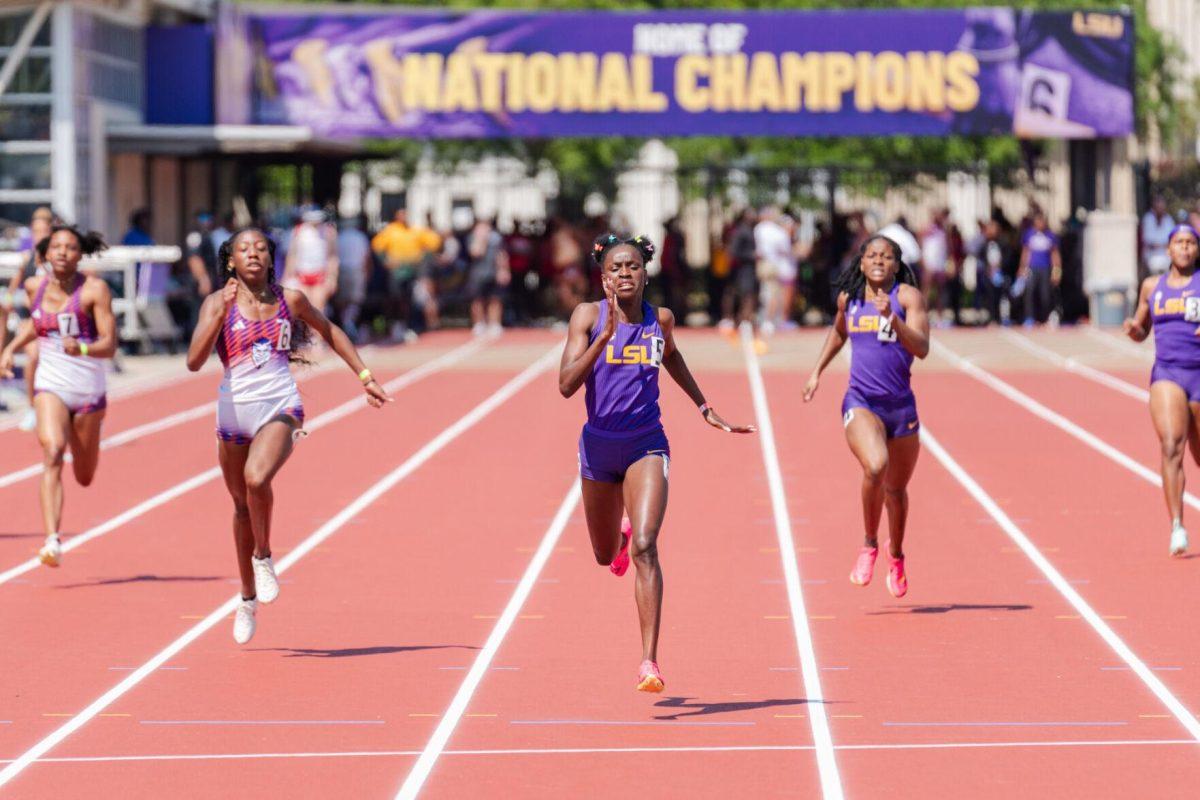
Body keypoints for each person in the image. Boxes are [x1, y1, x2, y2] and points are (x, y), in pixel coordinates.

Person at [559, 233, 755, 692]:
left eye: (631, 266)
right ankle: (620, 539)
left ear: (646, 271)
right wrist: (602, 339)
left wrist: (705, 408)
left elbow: (673, 357)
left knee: (648, 545)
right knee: (605, 554)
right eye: (615, 268)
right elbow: (566, 384)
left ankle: (649, 662)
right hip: (598, 447)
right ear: (603, 276)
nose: (624, 274)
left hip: (647, 443)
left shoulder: (660, 319)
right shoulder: (587, 317)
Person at [187, 228, 390, 644]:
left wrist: (365, 376)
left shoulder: (289, 300)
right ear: (231, 262)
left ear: (271, 257)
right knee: (241, 506)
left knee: (257, 479)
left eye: (260, 248)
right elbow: (193, 361)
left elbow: (330, 330)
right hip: (233, 411)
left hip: (280, 405)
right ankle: (246, 599)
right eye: (244, 249)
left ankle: (263, 555)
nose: (253, 254)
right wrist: (219, 312)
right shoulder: (217, 302)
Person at [803, 235, 929, 598]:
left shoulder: (908, 299)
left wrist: (893, 318)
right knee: (876, 466)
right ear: (861, 263)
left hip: (901, 407)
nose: (878, 261)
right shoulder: (850, 299)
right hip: (861, 401)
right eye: (872, 255)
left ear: (896, 264)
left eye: (886, 256)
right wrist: (816, 372)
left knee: (897, 491)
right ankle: (869, 544)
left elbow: (921, 348)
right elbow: (839, 332)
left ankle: (896, 554)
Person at [0, 226, 117, 568]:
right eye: (57, 247)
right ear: (46, 254)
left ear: (80, 254)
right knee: (51, 452)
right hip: (50, 385)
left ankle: (90, 441)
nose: (63, 252)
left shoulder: (95, 290)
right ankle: (52, 540)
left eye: (70, 247)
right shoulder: (35, 287)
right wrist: (10, 349)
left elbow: (109, 344)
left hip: (88, 392)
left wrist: (82, 346)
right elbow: (36, 324)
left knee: (83, 474)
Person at [1122, 224, 1200, 556]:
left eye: (1190, 243)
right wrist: (1135, 329)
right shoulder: (1152, 287)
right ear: (1168, 250)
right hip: (1168, 373)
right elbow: (1141, 329)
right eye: (1178, 243)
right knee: (1171, 446)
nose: (1184, 248)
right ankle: (1177, 526)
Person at [2, 207, 54, 431]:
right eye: (36, 231)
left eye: (43, 231)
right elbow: (14, 285)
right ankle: (32, 407)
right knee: (33, 356)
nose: (39, 235)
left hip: (53, 318)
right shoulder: (27, 257)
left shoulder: (58, 257)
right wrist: (11, 299)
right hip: (30, 318)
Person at [371, 208, 440, 343]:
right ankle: (397, 326)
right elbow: (377, 247)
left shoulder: (416, 230)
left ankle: (412, 327)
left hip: (412, 271)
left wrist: (421, 258)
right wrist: (386, 261)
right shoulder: (390, 231)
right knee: (396, 299)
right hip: (397, 272)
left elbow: (434, 243)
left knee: (412, 301)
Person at [284, 208, 338, 316]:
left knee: (318, 311)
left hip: (320, 276)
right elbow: (292, 255)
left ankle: (317, 332)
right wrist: (287, 276)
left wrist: (332, 277)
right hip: (302, 275)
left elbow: (332, 257)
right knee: (303, 309)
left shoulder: (328, 232)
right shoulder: (298, 231)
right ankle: (305, 332)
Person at [465, 217, 509, 337]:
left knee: (495, 299)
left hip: (493, 273)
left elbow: (501, 254)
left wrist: (503, 270)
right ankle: (479, 324)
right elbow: (475, 252)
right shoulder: (472, 237)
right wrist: (482, 239)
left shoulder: (496, 238)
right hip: (477, 274)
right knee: (477, 300)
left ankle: (494, 323)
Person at [333, 216, 372, 343]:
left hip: (342, 270)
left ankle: (347, 323)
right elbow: (366, 257)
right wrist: (367, 273)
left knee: (343, 300)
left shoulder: (339, 237)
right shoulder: (360, 237)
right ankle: (348, 323)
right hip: (356, 270)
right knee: (355, 299)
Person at [1018, 212, 1062, 326]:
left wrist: (1056, 271)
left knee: (1045, 294)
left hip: (1045, 269)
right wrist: (1022, 267)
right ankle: (1029, 317)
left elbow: (1055, 254)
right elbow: (1025, 252)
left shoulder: (1050, 236)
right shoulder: (1029, 235)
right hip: (1032, 268)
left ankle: (1044, 317)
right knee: (1030, 291)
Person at [1142, 196, 1175, 276]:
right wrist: (1162, 245)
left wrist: (1161, 245)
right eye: (1158, 207)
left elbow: (1172, 239)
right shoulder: (1148, 219)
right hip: (1151, 257)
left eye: (1162, 207)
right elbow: (1148, 241)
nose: (1160, 209)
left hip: (1166, 258)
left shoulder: (1169, 220)